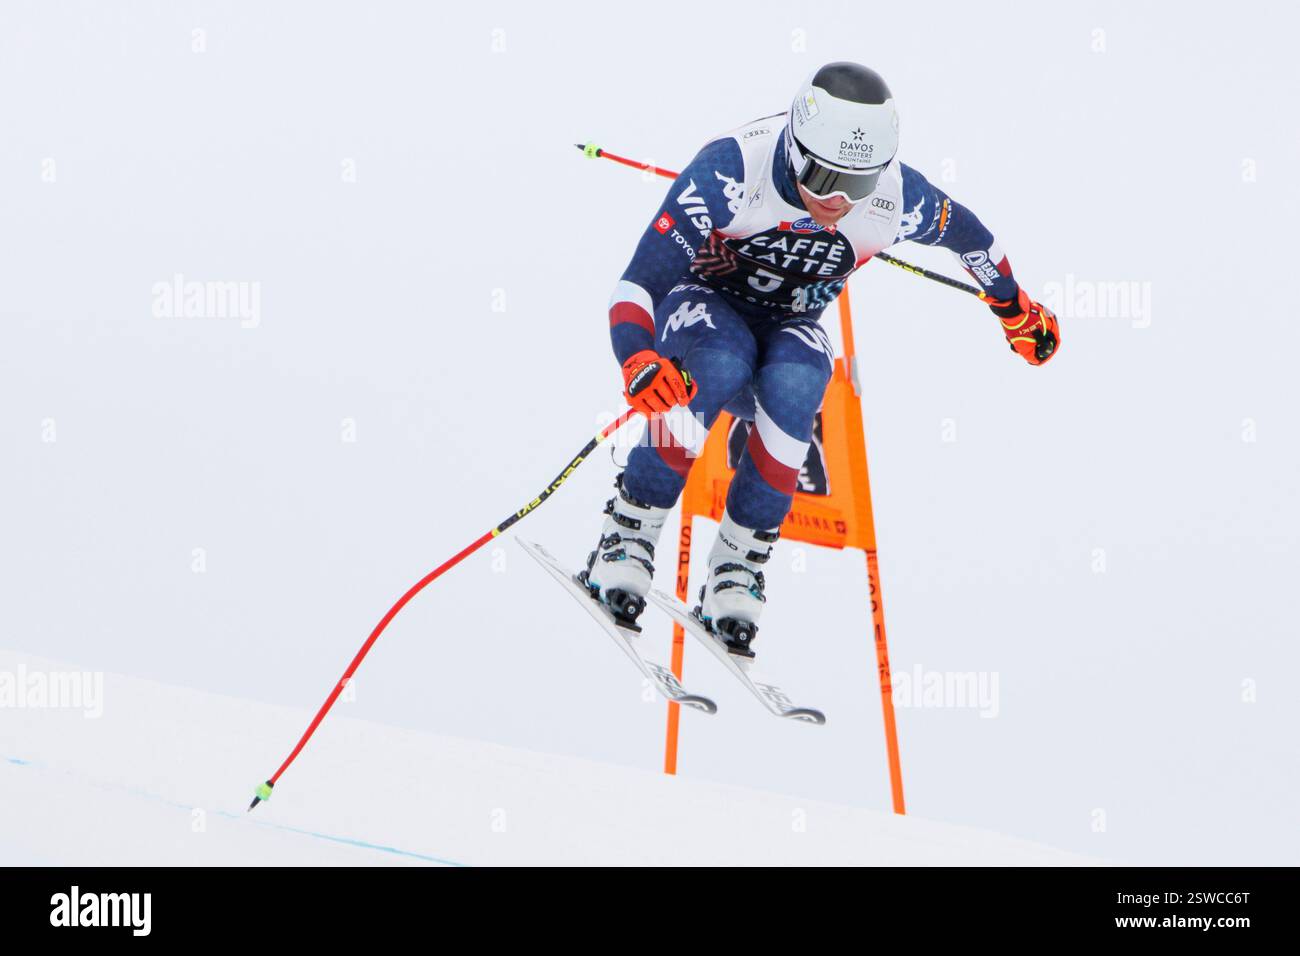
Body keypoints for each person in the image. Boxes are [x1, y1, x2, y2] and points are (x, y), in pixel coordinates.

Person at [581, 61, 1060, 659]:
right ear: (792, 147)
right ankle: (629, 530)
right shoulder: (732, 170)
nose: (837, 200)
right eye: (822, 176)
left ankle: (738, 565)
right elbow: (636, 286)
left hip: (788, 328)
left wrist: (1014, 308)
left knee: (803, 376)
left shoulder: (895, 198)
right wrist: (637, 357)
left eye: (857, 184)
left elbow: (972, 239)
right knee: (725, 358)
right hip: (701, 313)